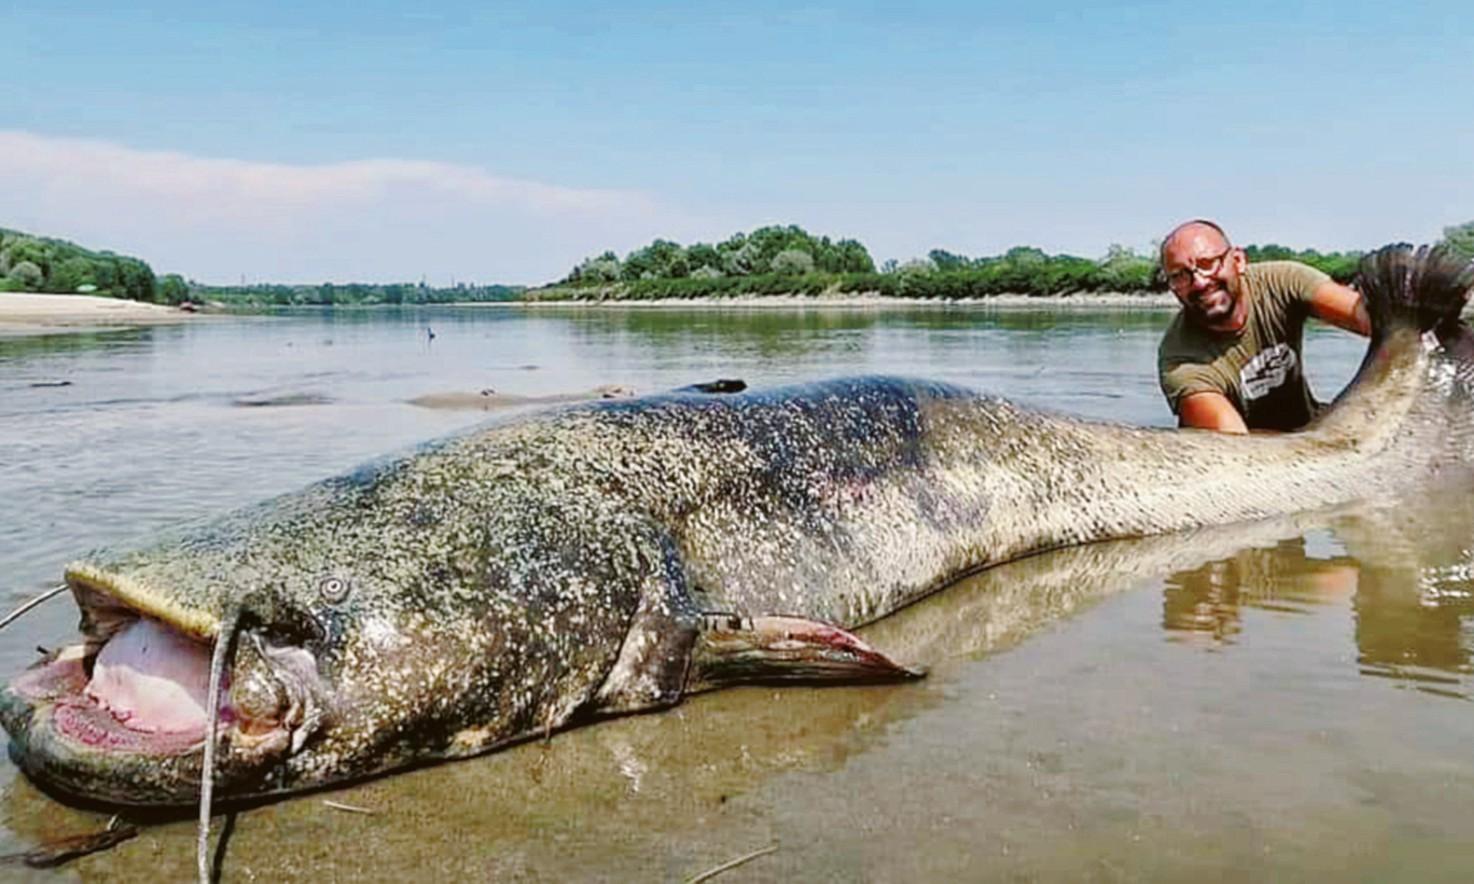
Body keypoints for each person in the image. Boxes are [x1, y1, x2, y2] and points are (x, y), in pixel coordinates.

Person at [1157, 219, 1370, 433]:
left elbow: (1375, 321)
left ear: (1238, 261)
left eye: (1207, 264)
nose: (1200, 282)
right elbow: (1234, 444)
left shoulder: (1284, 281)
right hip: (1247, 454)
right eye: (1179, 276)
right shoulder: (1179, 362)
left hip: (1309, 425)